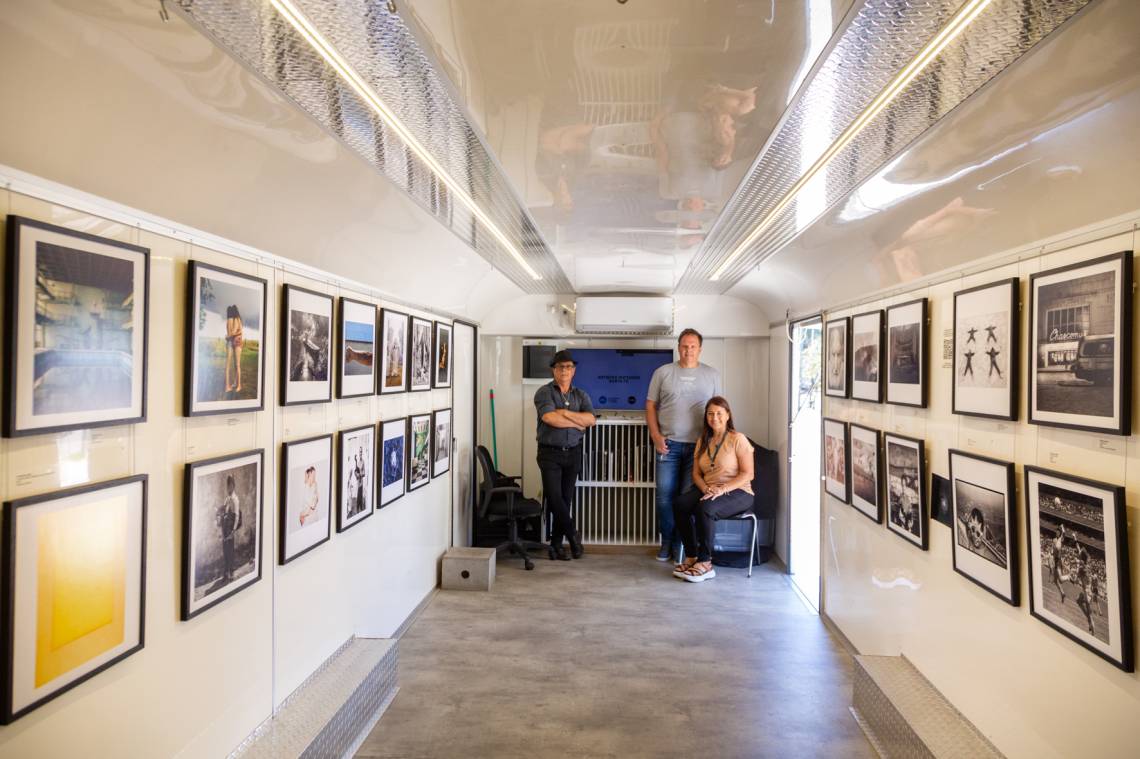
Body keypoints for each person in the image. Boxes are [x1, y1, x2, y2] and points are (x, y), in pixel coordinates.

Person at [647, 328, 722, 561]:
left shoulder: (712, 375)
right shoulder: (663, 372)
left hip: (699, 449)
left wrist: (714, 445)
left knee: (685, 498)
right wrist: (656, 437)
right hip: (667, 445)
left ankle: (681, 543)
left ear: (700, 349)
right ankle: (666, 541)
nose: (688, 350)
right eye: (684, 345)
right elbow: (650, 406)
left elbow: (719, 411)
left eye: (693, 346)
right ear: (678, 347)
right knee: (664, 496)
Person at [672, 397, 755, 583]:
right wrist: (706, 488)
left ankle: (706, 562)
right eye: (710, 413)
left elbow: (748, 474)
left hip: (739, 492)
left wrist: (721, 489)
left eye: (719, 413)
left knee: (705, 508)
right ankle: (692, 556)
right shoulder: (702, 440)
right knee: (680, 504)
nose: (714, 417)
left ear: (727, 415)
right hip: (709, 489)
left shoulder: (738, 439)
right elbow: (696, 474)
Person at [534, 349, 596, 561]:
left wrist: (566, 413)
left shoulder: (581, 395)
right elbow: (550, 418)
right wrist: (576, 422)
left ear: (574, 371)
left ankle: (556, 546)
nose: (565, 370)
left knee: (565, 500)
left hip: (573, 454)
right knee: (554, 498)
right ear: (554, 370)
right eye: (561, 367)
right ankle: (573, 535)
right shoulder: (544, 393)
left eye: (569, 367)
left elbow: (591, 420)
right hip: (549, 454)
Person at [216, 474, 242, 582]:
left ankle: (231, 573)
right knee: (225, 552)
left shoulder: (235, 500)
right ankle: (226, 573)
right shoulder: (227, 499)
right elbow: (223, 512)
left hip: (230, 529)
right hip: (225, 529)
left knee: (230, 552)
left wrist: (233, 530)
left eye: (230, 485)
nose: (229, 488)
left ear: (234, 486)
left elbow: (236, 516)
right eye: (228, 486)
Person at [224, 304, 244, 394]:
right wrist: (230, 335)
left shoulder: (229, 320)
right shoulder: (238, 319)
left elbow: (230, 333)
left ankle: (229, 386)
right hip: (237, 340)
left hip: (230, 340)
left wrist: (228, 336)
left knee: (229, 365)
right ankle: (238, 385)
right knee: (237, 364)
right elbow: (238, 331)